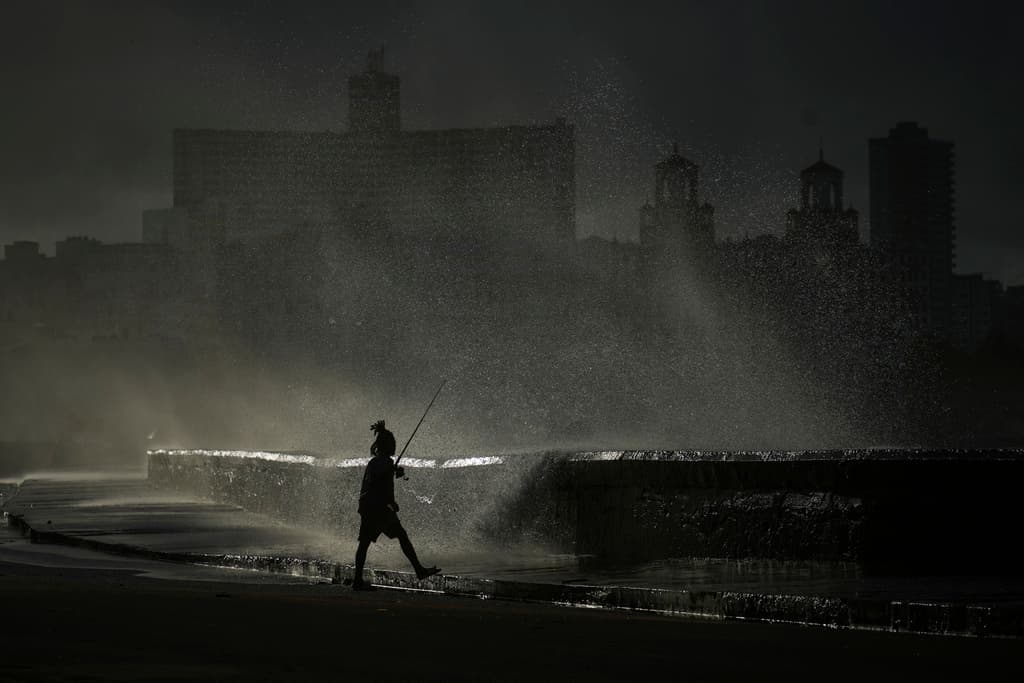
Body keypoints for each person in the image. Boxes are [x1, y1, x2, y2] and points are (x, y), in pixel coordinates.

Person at [351, 419, 440, 591]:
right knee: (400, 535)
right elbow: (380, 484)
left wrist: (393, 474)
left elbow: (380, 483)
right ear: (386, 445)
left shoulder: (377, 462)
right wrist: (391, 500)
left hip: (369, 507)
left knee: (365, 543)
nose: (395, 445)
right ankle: (419, 570)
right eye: (392, 443)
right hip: (377, 509)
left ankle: (357, 581)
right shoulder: (383, 463)